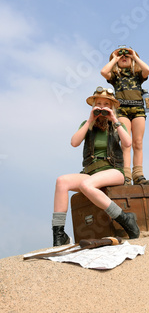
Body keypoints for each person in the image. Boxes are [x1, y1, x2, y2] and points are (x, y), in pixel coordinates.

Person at [51, 87, 140, 247]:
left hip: (114, 171)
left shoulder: (116, 125)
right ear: (93, 106)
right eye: (98, 104)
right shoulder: (88, 125)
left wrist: (114, 119)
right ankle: (59, 234)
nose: (101, 107)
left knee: (86, 185)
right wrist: (90, 120)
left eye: (106, 104)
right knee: (61, 181)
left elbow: (127, 143)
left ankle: (124, 219)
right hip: (91, 174)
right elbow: (74, 142)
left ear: (112, 107)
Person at [101, 45, 149, 186]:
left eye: (126, 56)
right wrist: (115, 57)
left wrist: (134, 56)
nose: (124, 58)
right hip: (122, 109)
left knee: (138, 142)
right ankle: (126, 175)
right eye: (121, 57)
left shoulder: (137, 75)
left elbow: (148, 70)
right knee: (125, 143)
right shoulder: (116, 77)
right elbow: (104, 71)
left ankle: (138, 174)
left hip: (138, 109)